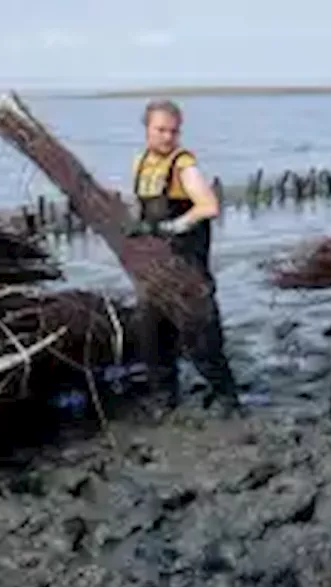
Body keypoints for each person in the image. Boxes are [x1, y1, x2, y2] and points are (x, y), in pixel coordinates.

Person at [126, 99, 243, 419]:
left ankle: (226, 395)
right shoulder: (140, 163)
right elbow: (142, 208)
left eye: (173, 131)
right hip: (156, 267)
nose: (167, 137)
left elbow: (208, 206)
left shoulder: (184, 165)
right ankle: (165, 395)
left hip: (188, 262)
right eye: (160, 130)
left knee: (201, 333)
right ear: (147, 129)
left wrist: (174, 226)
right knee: (152, 330)